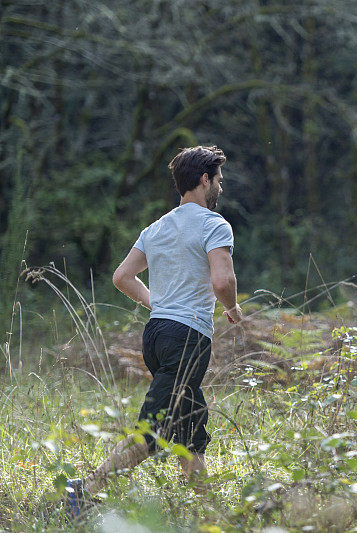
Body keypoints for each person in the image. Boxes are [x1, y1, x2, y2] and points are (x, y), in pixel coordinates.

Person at [64, 145, 243, 518]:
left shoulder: (156, 227)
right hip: (187, 338)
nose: (221, 188)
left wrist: (156, 304)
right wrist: (231, 307)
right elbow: (223, 280)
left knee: (191, 424)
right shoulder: (214, 224)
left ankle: (207, 509)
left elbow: (122, 277)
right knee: (154, 430)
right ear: (204, 179)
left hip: (156, 335)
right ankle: (86, 489)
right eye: (219, 180)